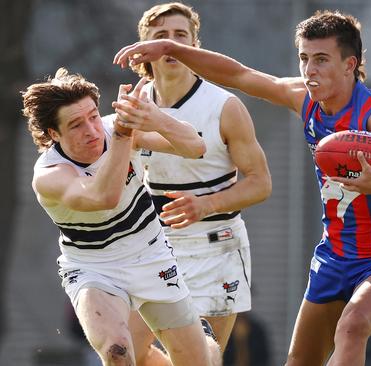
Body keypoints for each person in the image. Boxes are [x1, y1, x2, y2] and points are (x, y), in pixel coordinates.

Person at [115, 10, 371, 366]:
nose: (309, 70)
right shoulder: (304, 98)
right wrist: (167, 46)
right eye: (303, 59)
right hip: (334, 255)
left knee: (353, 326)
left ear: (350, 64)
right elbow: (239, 74)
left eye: (321, 60)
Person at [22, 68, 221, 366]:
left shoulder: (116, 128)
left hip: (152, 256)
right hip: (94, 268)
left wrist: (155, 118)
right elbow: (104, 197)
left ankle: (206, 346)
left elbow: (195, 147)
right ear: (53, 134)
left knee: (197, 361)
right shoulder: (50, 175)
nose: (91, 130)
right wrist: (124, 136)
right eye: (76, 125)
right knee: (118, 352)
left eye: (92, 116)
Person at [123, 4, 272, 365]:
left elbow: (260, 183)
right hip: (155, 247)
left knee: (202, 358)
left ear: (195, 44)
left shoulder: (224, 106)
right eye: (161, 37)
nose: (171, 45)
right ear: (144, 48)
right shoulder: (134, 103)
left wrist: (205, 204)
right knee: (125, 352)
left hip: (215, 245)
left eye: (180, 36)